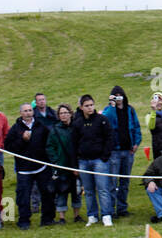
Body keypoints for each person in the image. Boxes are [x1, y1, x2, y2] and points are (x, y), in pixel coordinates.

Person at [5, 103, 56, 229]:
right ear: (21, 113)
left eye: (29, 110)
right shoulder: (15, 129)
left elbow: (49, 143)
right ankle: (24, 221)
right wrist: (22, 139)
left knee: (47, 193)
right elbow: (9, 147)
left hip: (41, 166)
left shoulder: (41, 126)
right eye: (25, 111)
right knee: (23, 196)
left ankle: (47, 219)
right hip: (24, 169)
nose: (28, 113)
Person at [72, 95, 115, 225]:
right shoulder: (77, 123)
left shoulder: (102, 120)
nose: (90, 108)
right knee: (89, 190)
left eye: (91, 105)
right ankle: (92, 215)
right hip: (83, 162)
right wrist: (75, 164)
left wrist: (104, 157)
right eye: (87, 106)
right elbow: (73, 144)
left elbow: (109, 138)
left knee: (103, 189)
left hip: (99, 161)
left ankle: (106, 215)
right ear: (81, 107)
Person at [102, 85, 142, 219]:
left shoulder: (130, 110)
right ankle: (111, 209)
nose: (118, 98)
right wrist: (112, 105)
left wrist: (136, 143)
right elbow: (106, 120)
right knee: (112, 182)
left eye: (120, 95)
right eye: (115, 96)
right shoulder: (109, 110)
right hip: (115, 151)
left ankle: (122, 208)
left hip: (128, 151)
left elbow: (136, 127)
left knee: (125, 182)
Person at [47, 104, 83, 223]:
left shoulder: (76, 127)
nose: (64, 115)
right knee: (61, 191)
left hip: (75, 165)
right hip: (61, 166)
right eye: (61, 113)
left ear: (71, 114)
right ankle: (61, 217)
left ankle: (76, 215)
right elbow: (49, 147)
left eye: (66, 112)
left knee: (76, 191)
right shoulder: (55, 130)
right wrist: (56, 161)